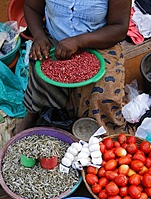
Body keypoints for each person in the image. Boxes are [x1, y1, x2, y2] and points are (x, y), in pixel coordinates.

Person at [14, 0, 132, 135]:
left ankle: (97, 131)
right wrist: (39, 37)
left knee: (104, 90)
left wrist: (79, 41)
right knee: (41, 63)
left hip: (98, 43)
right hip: (55, 41)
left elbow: (119, 28)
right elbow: (31, 8)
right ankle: (33, 112)